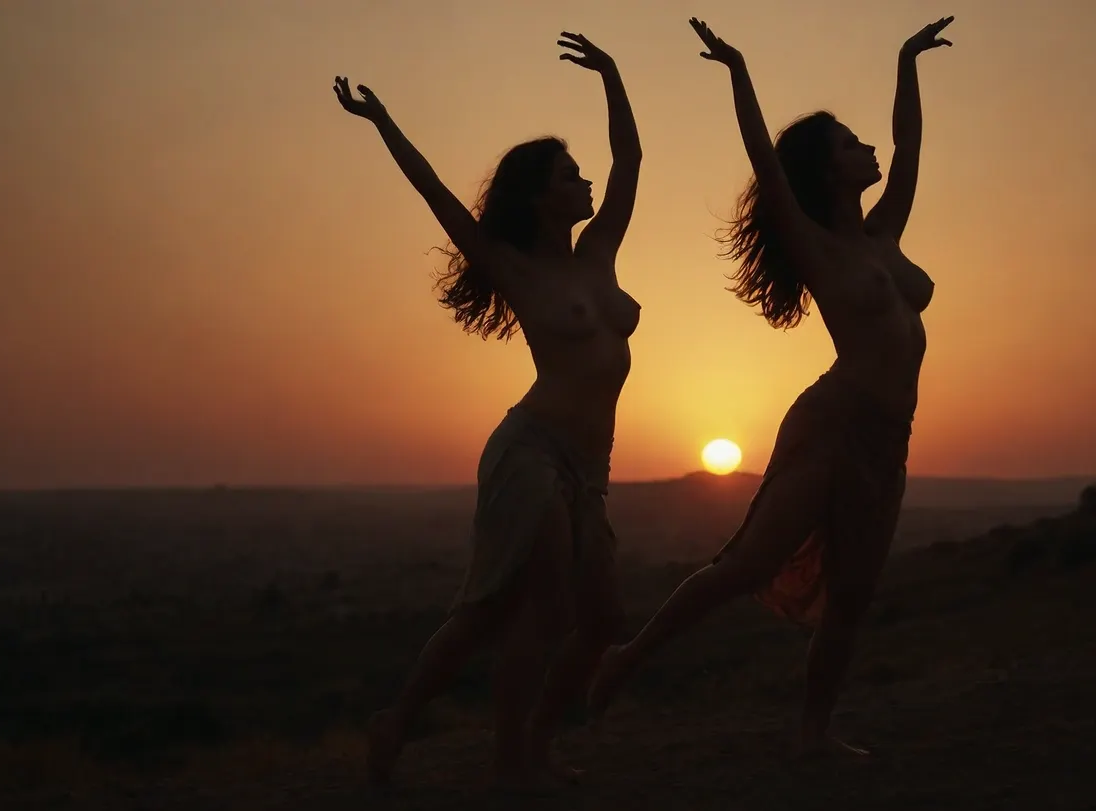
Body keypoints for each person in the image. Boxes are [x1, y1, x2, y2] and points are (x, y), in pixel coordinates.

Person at [586, 16, 953, 757]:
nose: (869, 148)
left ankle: (813, 732)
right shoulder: (818, 248)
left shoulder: (883, 237)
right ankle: (628, 656)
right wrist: (737, 70)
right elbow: (766, 161)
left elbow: (910, 144)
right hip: (832, 423)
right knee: (749, 563)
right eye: (850, 143)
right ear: (826, 170)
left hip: (889, 437)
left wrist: (908, 61)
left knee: (851, 597)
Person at [333, 30, 642, 791]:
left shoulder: (599, 252)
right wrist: (381, 123)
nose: (586, 181)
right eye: (571, 173)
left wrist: (611, 76)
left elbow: (629, 161)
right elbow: (433, 190)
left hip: (588, 466)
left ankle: (400, 718)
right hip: (530, 452)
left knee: (596, 618)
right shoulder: (510, 266)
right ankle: (515, 762)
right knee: (536, 610)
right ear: (541, 193)